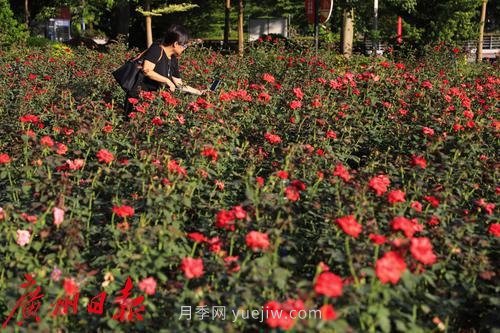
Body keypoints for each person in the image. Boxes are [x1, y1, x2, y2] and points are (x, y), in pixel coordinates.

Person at [124, 24, 206, 115]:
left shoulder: (173, 58)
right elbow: (147, 70)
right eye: (184, 46)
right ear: (175, 44)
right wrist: (167, 80)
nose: (185, 49)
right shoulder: (156, 49)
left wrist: (199, 92)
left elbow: (179, 84)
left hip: (154, 103)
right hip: (139, 100)